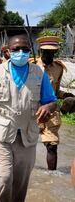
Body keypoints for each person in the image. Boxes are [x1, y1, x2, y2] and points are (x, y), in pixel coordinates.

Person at [0, 35, 57, 202]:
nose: (21, 53)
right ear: (7, 52)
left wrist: (48, 107)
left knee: (20, 183)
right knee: (3, 178)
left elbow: (52, 101)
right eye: (16, 49)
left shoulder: (39, 73)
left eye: (25, 49)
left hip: (27, 136)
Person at [34, 36, 74, 170]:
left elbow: (55, 90)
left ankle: (51, 175)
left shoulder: (58, 68)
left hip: (50, 111)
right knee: (25, 146)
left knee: (52, 146)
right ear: (40, 51)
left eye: (51, 52)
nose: (49, 54)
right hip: (31, 111)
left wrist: (65, 95)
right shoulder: (31, 66)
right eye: (46, 51)